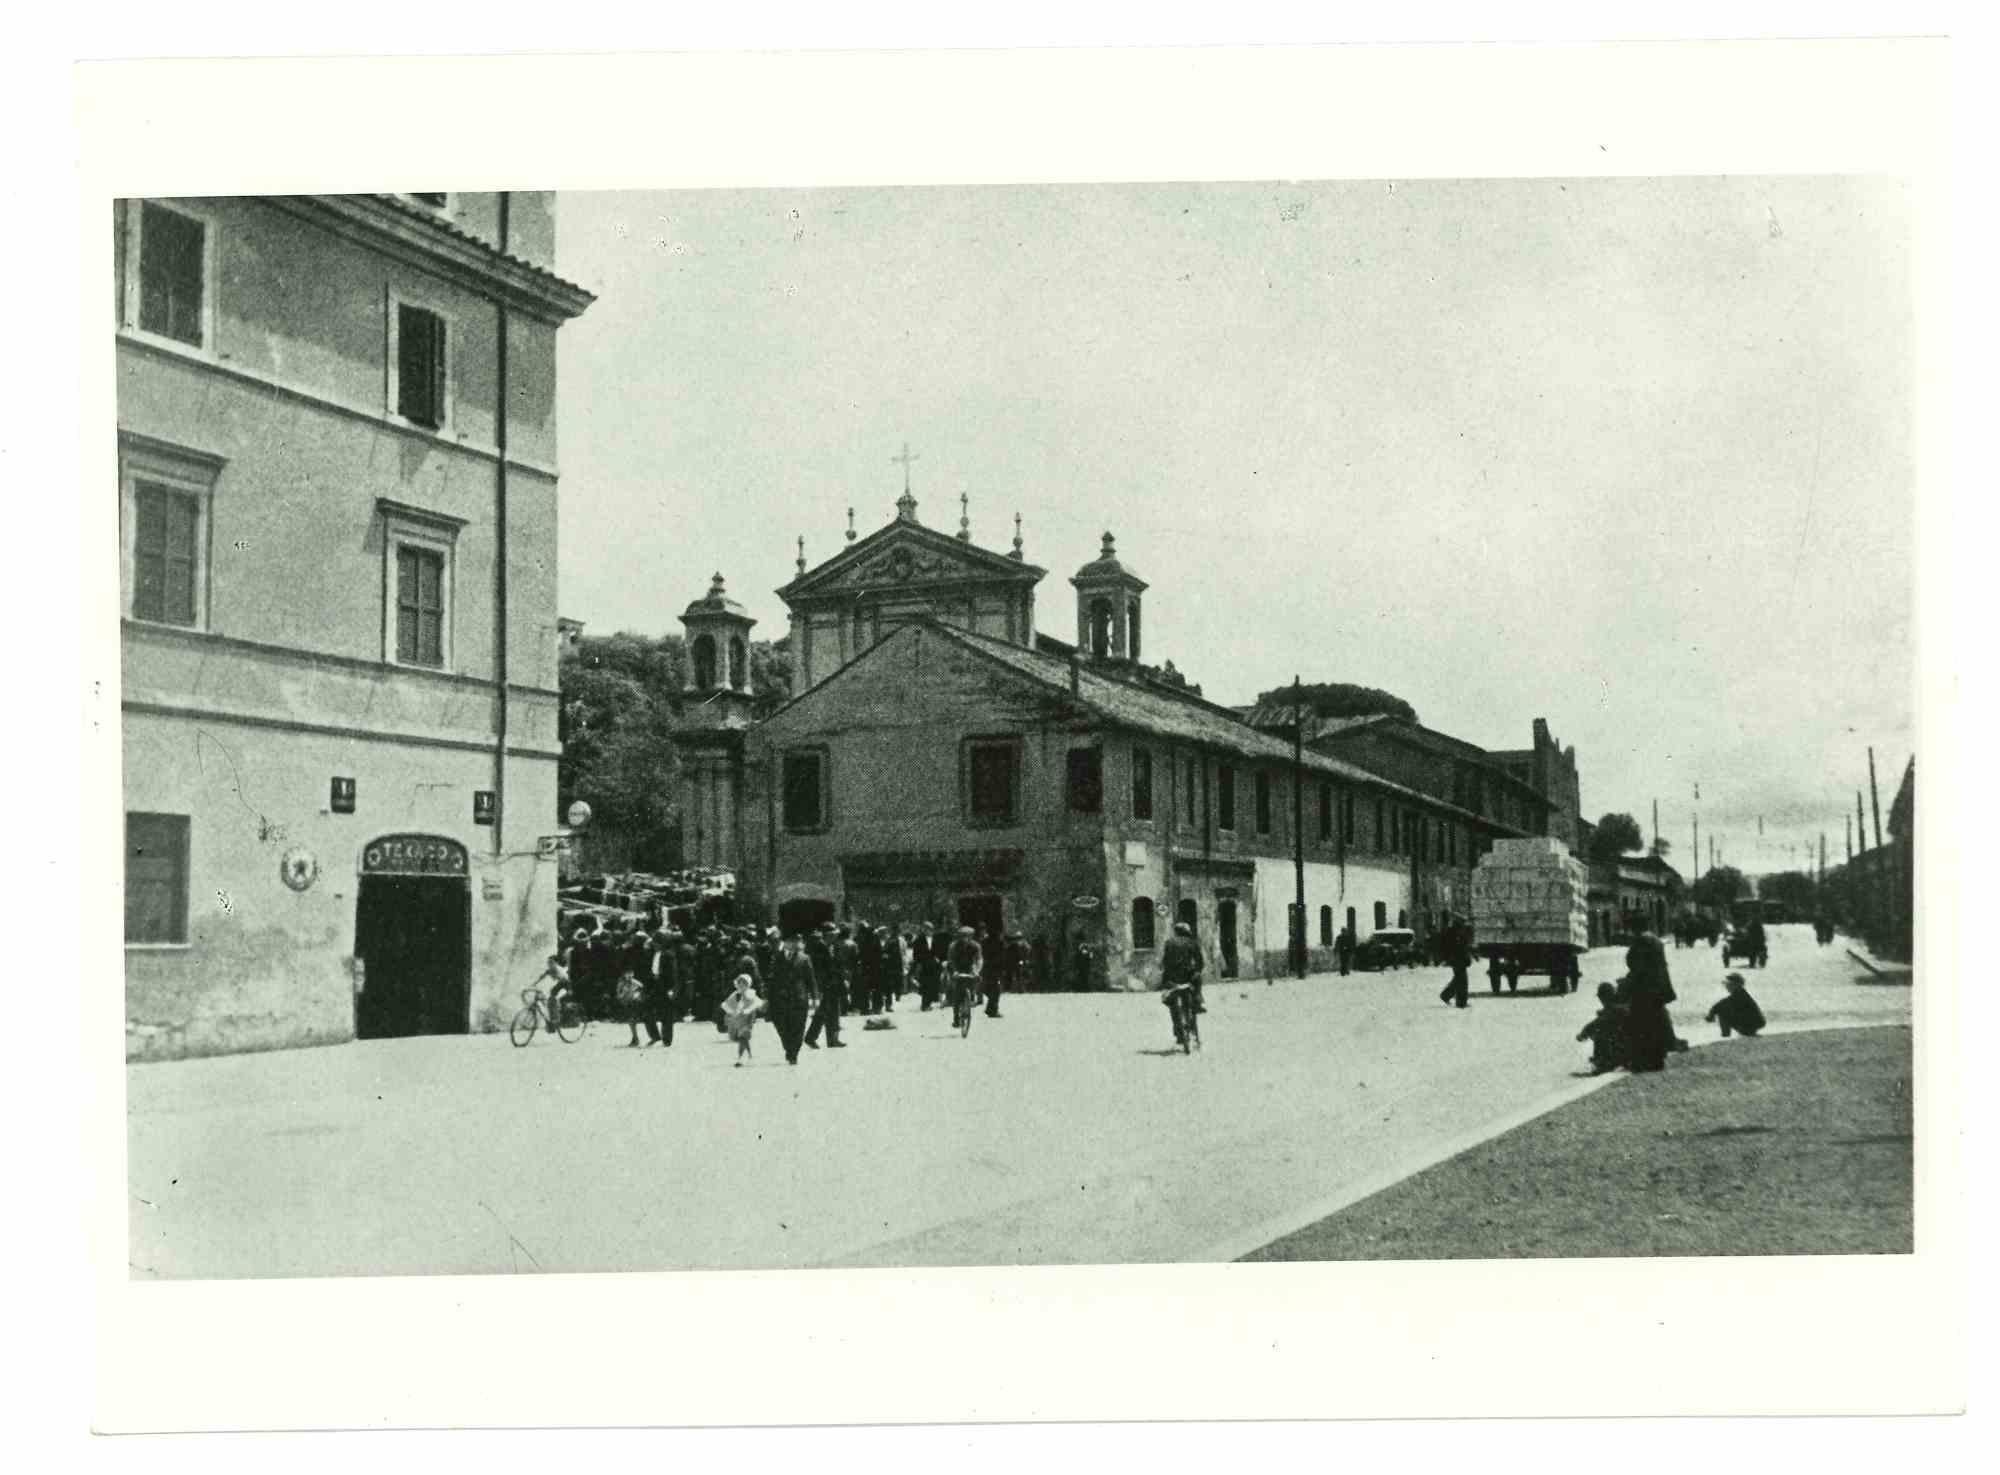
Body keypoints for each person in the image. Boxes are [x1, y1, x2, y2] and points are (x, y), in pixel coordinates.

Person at [1617, 916, 1679, 1072]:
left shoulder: (1642, 941)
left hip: (1645, 988)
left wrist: (1628, 981)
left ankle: (1647, 1059)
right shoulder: (1655, 940)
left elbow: (1640, 967)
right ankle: (1656, 1058)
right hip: (1657, 987)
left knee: (1643, 1023)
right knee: (1656, 1022)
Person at [766, 934, 816, 1065]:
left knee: (798, 1027)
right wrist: (768, 997)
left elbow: (811, 979)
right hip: (780, 998)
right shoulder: (777, 957)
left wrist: (815, 997)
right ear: (786, 942)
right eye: (792, 941)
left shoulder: (804, 958)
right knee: (782, 1026)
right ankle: (789, 1047)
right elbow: (771, 978)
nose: (795, 944)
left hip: (799, 998)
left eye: (797, 941)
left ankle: (794, 1053)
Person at [804, 929, 848, 1051]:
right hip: (828, 985)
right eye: (834, 934)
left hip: (831, 984)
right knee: (829, 1011)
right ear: (829, 934)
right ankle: (822, 1038)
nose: (836, 936)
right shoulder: (821, 947)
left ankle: (827, 1038)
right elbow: (822, 968)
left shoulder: (829, 946)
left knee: (827, 1011)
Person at [1576, 982, 1627, 1074]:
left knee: (1601, 1032)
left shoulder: (1615, 1008)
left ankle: (1603, 1061)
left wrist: (1584, 1033)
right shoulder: (1618, 1005)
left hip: (1625, 1047)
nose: (1601, 1001)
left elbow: (1598, 1023)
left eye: (1601, 998)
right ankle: (1604, 1059)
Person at [1160, 920, 1204, 1017]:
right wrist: (1197, 971)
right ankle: (1198, 1001)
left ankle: (1166, 997)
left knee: (1166, 985)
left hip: (1172, 976)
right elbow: (1199, 961)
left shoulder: (1169, 942)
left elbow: (1165, 960)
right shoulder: (1192, 943)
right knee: (1198, 980)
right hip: (1187, 975)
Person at [1706, 972, 1767, 1038]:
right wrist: (1711, 1015)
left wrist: (1710, 1016)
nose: (1726, 986)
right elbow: (1719, 1005)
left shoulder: (1740, 995)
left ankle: (1725, 1036)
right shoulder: (1741, 994)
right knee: (1723, 1010)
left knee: (1722, 1013)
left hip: (1751, 1025)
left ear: (1736, 985)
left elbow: (1718, 1006)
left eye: (1728, 984)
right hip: (1754, 1024)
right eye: (1726, 984)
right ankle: (1729, 1035)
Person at [721, 971, 762, 1066]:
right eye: (739, 984)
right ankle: (750, 1055)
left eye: (744, 984)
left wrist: (748, 1010)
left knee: (743, 1036)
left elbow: (758, 1003)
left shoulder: (751, 994)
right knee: (743, 1039)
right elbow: (726, 1004)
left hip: (748, 1019)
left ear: (748, 985)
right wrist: (731, 1012)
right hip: (738, 1020)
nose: (741, 986)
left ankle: (740, 1059)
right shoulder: (735, 994)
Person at [946, 925, 984, 1023]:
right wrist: (954, 971)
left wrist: (977, 971)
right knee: (957, 992)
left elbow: (979, 959)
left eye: (968, 936)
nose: (965, 938)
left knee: (976, 980)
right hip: (956, 967)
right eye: (963, 936)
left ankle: (972, 997)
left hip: (969, 967)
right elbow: (951, 960)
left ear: (971, 936)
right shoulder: (954, 946)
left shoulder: (975, 946)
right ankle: (956, 1017)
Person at [1437, 915, 1473, 1009]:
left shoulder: (1455, 931)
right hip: (1457, 959)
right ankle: (1460, 1002)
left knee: (1459, 979)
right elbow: (1458, 947)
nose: (1464, 923)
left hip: (1458, 959)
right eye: (1463, 921)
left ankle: (1446, 995)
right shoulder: (1455, 932)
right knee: (1462, 980)